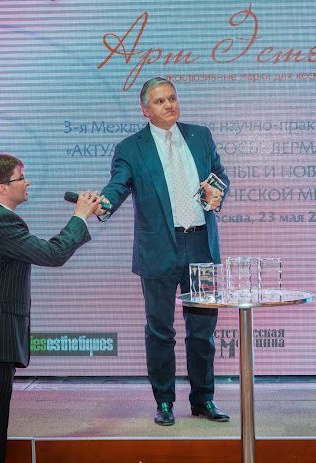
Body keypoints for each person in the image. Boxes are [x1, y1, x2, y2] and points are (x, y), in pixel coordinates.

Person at [0, 153, 103, 462]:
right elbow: (53, 254)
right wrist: (79, 216)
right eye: (21, 178)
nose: (27, 183)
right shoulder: (1, 221)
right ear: (3, 188)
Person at [97, 77, 230, 426]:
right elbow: (117, 186)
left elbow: (219, 175)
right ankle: (165, 402)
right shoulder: (131, 147)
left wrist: (218, 193)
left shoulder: (200, 136)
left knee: (202, 331)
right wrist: (103, 204)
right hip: (158, 249)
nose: (169, 105)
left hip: (201, 247)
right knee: (160, 331)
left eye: (172, 98)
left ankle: (203, 399)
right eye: (160, 101)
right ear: (145, 110)